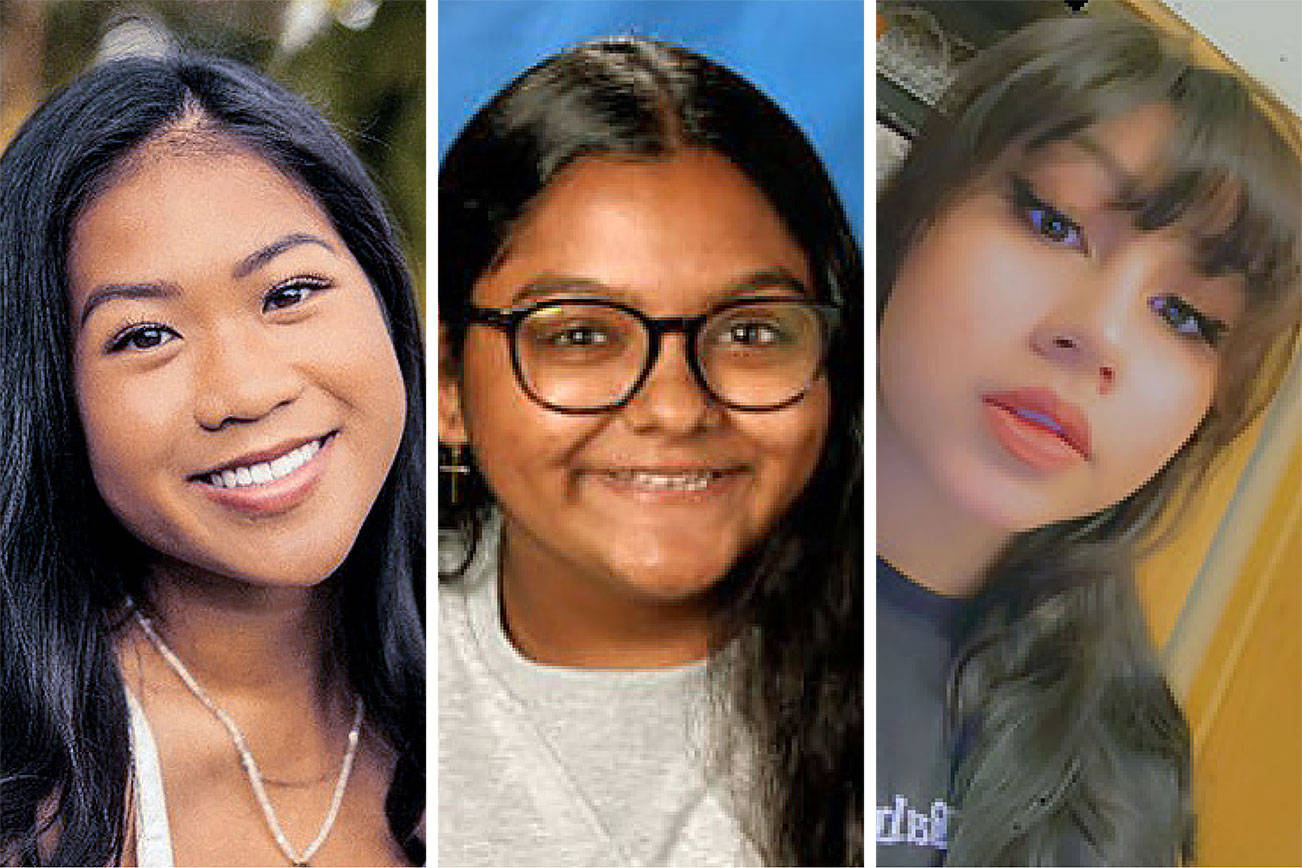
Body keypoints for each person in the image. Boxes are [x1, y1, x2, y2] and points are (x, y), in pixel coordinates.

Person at [876, 15, 1300, 867]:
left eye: (1185, 316)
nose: (1098, 335)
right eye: (1054, 223)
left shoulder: (1119, 782)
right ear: (913, 216)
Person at [438, 37, 864, 867]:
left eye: (748, 332)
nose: (675, 407)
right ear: (450, 384)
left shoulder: (902, 683)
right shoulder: (369, 664)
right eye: (582, 335)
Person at [0, 53, 425, 866]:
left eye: (290, 292)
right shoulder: (34, 808)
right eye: (145, 335)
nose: (246, 391)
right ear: (51, 391)